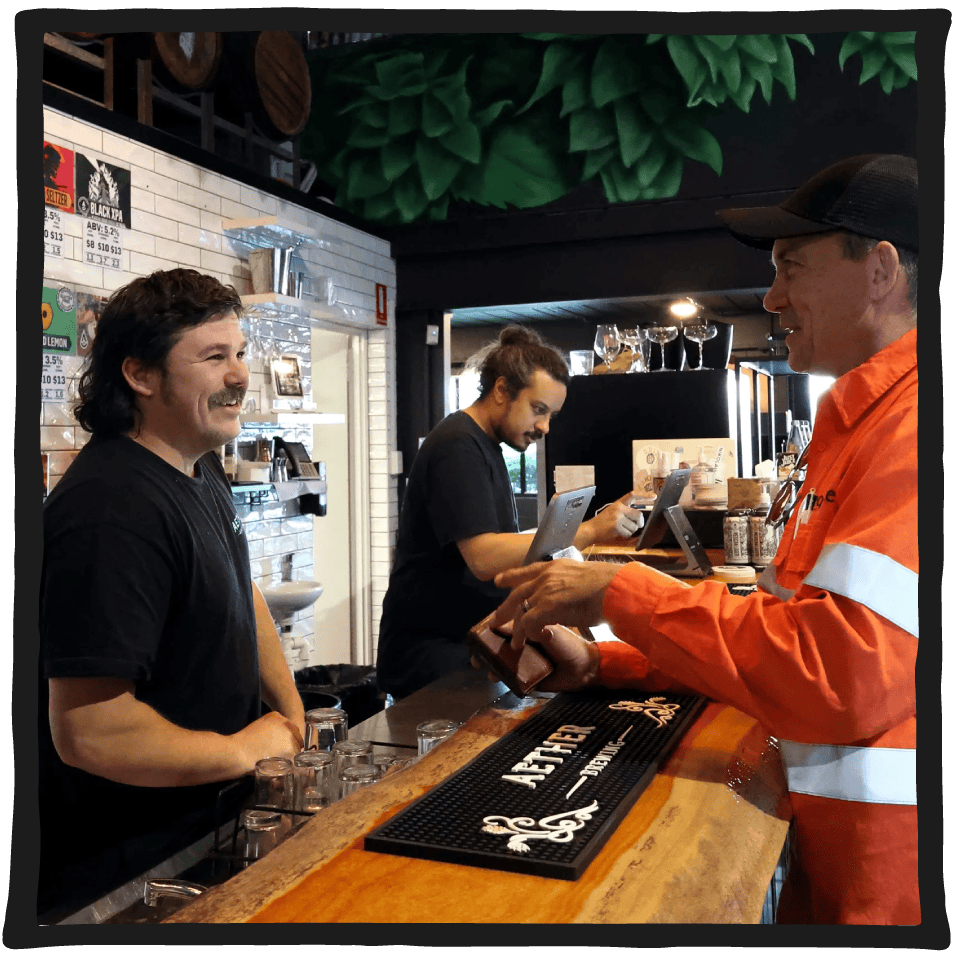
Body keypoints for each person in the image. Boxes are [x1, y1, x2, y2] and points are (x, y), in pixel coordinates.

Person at [491, 154, 919, 925]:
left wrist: (620, 592)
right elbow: (789, 638)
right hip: (848, 862)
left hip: (900, 885)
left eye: (792, 266)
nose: (772, 296)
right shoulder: (862, 423)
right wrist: (608, 663)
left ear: (881, 269)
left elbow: (840, 676)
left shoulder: (916, 427)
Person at [38, 268, 305, 919]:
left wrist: (291, 716)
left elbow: (241, 591)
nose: (239, 375)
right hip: (129, 876)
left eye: (239, 352)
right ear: (140, 374)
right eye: (214, 358)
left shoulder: (199, 468)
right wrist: (245, 749)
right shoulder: (110, 508)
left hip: (204, 834)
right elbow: (91, 731)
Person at [376, 325, 641, 701]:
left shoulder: (484, 444)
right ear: (501, 390)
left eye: (551, 415)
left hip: (467, 646)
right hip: (431, 655)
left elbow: (499, 548)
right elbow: (484, 557)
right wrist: (590, 530)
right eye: (538, 409)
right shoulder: (457, 446)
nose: (544, 426)